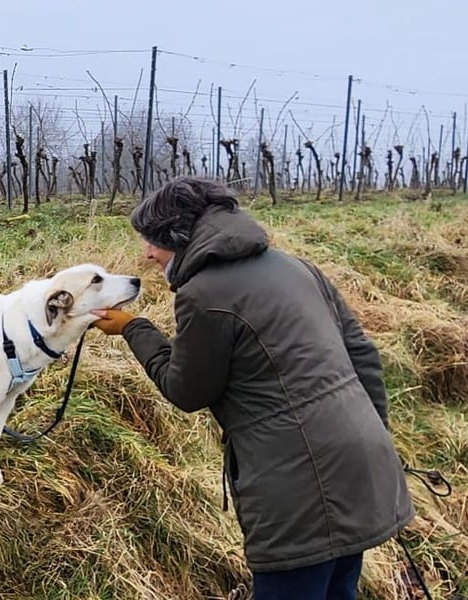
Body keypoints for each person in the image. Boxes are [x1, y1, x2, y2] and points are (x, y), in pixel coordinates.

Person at [91, 176, 414, 600]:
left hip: (296, 487)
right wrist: (377, 441)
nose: (148, 253)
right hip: (362, 464)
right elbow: (364, 357)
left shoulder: (204, 293)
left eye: (153, 241)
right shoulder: (297, 267)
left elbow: (187, 390)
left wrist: (134, 328)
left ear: (178, 235)